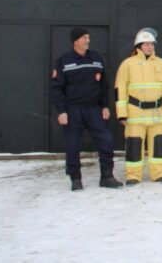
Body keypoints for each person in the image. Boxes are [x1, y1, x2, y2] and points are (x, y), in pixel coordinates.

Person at [50, 27, 123, 191]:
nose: (88, 40)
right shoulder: (63, 61)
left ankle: (107, 177)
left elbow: (103, 85)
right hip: (72, 110)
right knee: (72, 145)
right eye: (84, 37)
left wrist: (105, 106)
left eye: (88, 37)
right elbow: (56, 89)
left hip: (94, 109)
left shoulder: (96, 58)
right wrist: (62, 111)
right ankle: (75, 179)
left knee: (106, 141)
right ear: (76, 41)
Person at [115, 28, 162, 186]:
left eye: (152, 44)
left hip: (158, 113)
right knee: (134, 145)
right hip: (135, 114)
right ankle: (133, 175)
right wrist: (121, 114)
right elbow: (120, 90)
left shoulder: (161, 63)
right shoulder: (128, 64)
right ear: (139, 46)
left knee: (159, 145)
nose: (150, 47)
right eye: (146, 44)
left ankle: (159, 173)